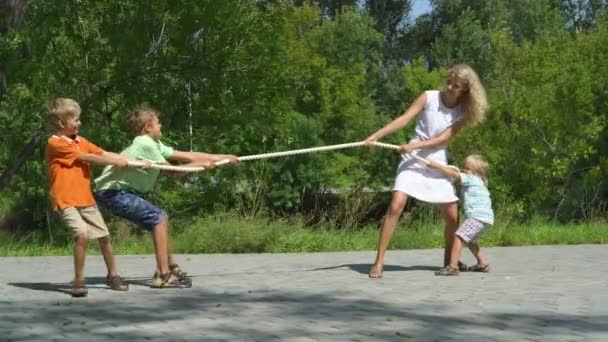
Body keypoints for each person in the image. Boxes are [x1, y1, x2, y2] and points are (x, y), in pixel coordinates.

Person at [365, 64, 487, 278]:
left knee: (451, 215)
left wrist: (414, 147)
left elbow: (443, 139)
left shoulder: (463, 112)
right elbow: (404, 118)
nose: (449, 86)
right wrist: (376, 135)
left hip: (436, 159)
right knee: (396, 204)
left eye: (455, 85)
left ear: (465, 89)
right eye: (448, 81)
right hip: (413, 157)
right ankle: (378, 262)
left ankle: (450, 261)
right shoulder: (428, 97)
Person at [94, 106, 239, 288]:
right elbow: (174, 172)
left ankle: (169, 266)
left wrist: (223, 157)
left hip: (121, 192)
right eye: (158, 122)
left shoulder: (155, 144)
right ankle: (163, 275)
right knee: (159, 218)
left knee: (158, 220)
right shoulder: (144, 143)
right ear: (148, 127)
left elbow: (189, 156)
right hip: (112, 192)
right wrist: (206, 164)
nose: (161, 125)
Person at [47, 98, 132, 297]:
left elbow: (101, 152)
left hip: (85, 198)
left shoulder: (81, 141)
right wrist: (114, 162)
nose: (79, 123)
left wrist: (130, 160)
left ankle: (113, 275)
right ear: (61, 122)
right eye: (75, 120)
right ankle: (79, 281)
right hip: (65, 199)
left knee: (104, 236)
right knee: (82, 234)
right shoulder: (55, 143)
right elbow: (88, 158)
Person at [428, 154, 494, 276]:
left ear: (475, 171)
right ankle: (482, 263)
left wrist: (436, 166)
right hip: (487, 218)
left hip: (477, 216)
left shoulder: (471, 178)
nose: (463, 170)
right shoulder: (480, 181)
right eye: (463, 167)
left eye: (467, 168)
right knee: (470, 240)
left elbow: (455, 175)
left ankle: (452, 267)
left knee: (459, 236)